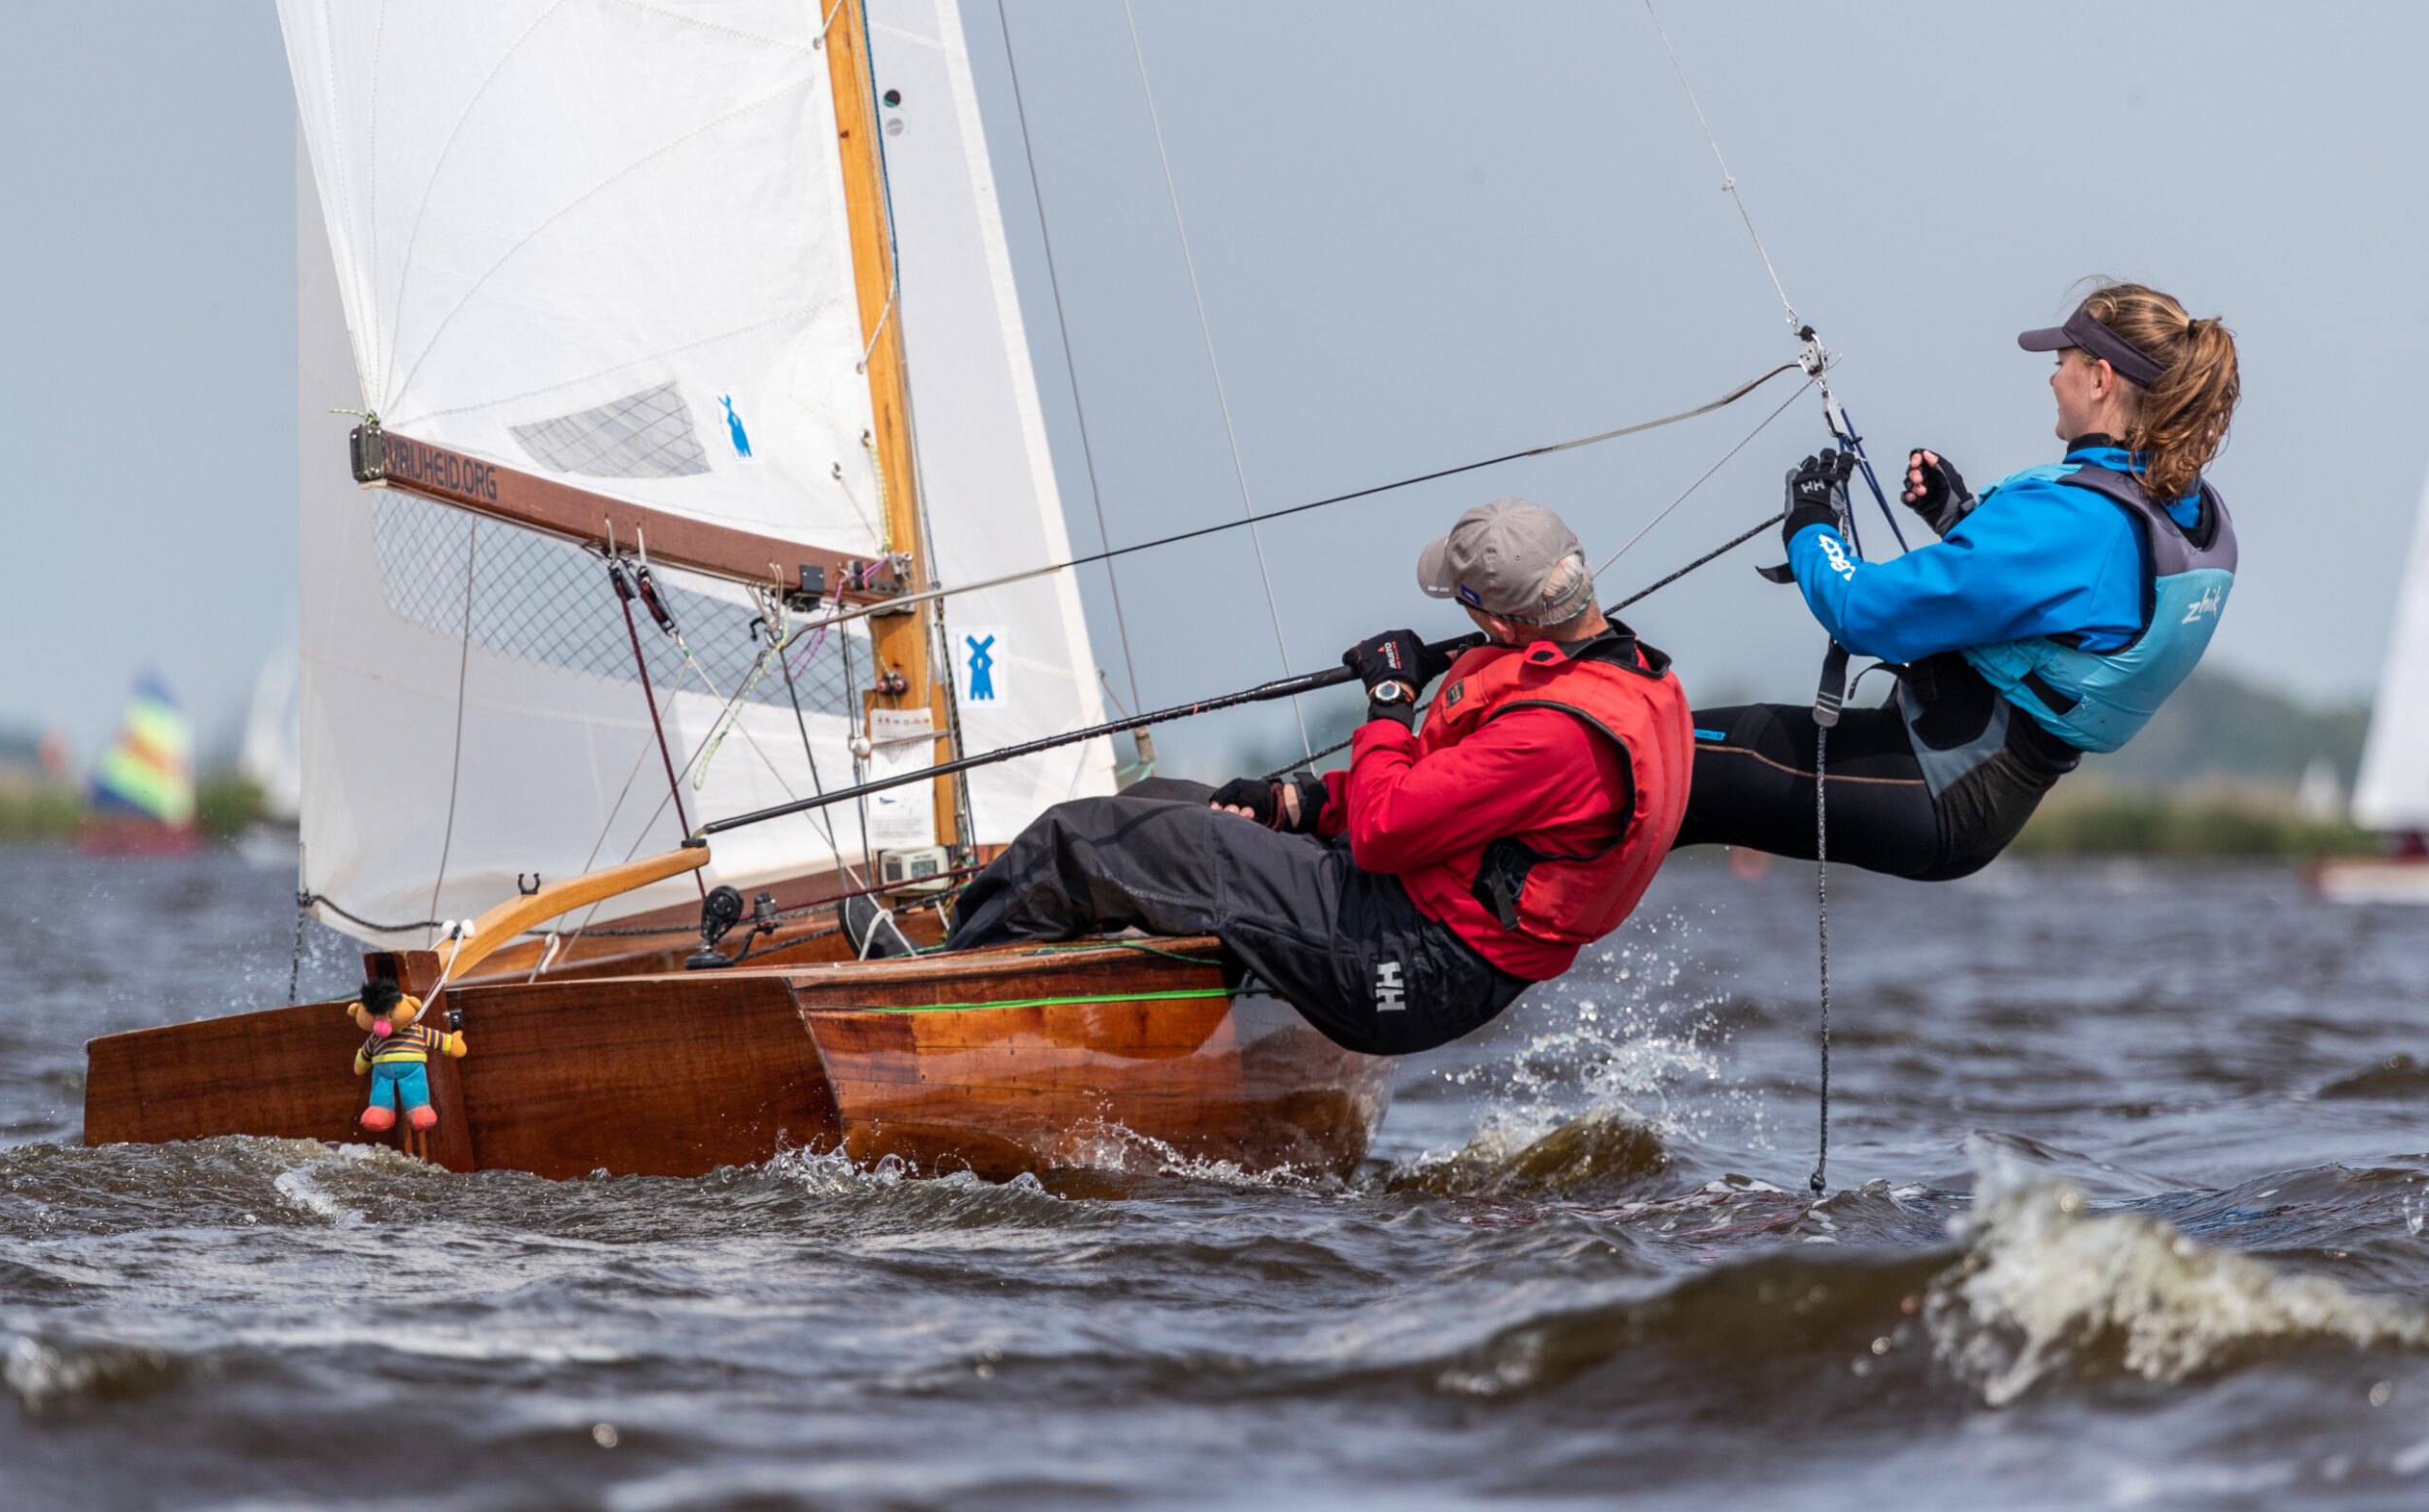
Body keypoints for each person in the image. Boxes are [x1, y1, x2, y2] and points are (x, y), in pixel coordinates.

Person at [942, 498, 1694, 1056]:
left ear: (1501, 624)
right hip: (1413, 918)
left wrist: (1390, 701)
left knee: (1082, 839)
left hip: (1409, 959)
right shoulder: (1621, 676)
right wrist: (1296, 804)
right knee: (1148, 806)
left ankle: (935, 1012)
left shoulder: (1554, 734)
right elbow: (1445, 802)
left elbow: (1384, 831)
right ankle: (1061, 1011)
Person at [1677, 281, 2240, 879]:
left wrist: (1811, 526)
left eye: (2062, 363)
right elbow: (2068, 605)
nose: (2053, 378)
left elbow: (1862, 612)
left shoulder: (2077, 522)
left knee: (1661, 750)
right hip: (1976, 793)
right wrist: (1960, 520)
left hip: (1934, 780)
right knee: (1680, 793)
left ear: (2101, 379)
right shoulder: (2188, 510)